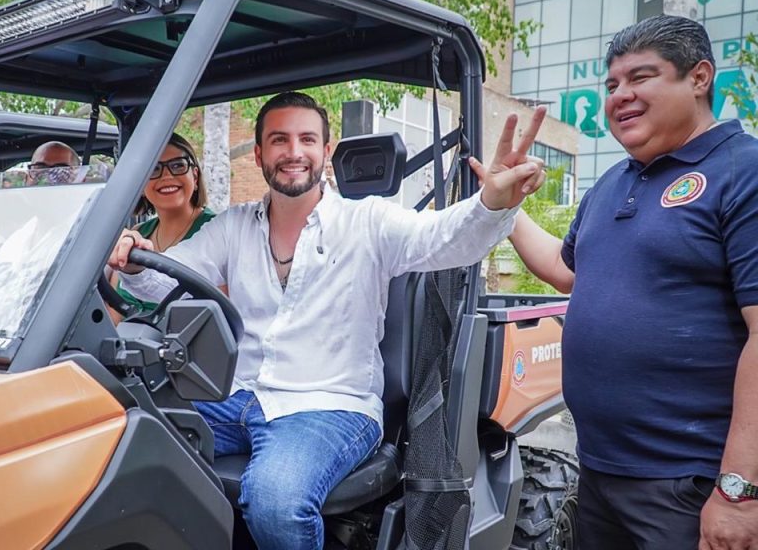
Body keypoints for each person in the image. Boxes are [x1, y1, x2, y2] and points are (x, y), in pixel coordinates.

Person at [110, 91, 547, 549]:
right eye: (279, 140)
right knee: (125, 439)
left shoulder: (368, 221)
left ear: (326, 150)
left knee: (276, 501)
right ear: (259, 154)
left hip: (331, 404)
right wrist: (135, 260)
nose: (293, 152)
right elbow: (169, 277)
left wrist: (491, 203)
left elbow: (444, 239)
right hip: (238, 397)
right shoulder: (233, 227)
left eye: (306, 139)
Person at [507, 16, 758, 550]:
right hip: (600, 471)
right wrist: (504, 209)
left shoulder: (744, 171)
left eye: (641, 77)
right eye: (612, 84)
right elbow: (566, 271)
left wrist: (739, 492)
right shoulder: (612, 183)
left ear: (699, 77)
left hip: (690, 484)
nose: (620, 95)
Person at [112, 133, 215, 315]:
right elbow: (114, 312)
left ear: (195, 177)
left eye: (178, 165)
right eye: (154, 169)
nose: (167, 176)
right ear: (141, 185)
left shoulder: (217, 232)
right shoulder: (136, 234)